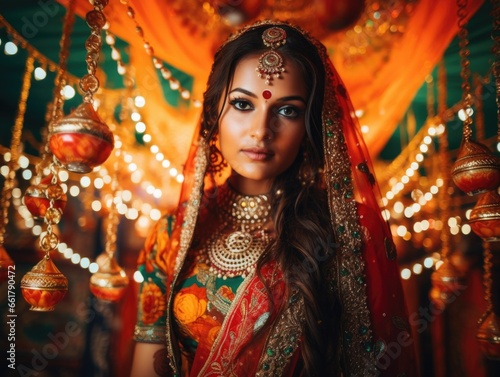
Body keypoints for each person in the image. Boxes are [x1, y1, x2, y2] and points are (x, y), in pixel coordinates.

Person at [130, 20, 416, 377]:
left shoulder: (350, 231)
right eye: (242, 104)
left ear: (312, 125)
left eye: (288, 110)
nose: (261, 131)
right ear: (212, 113)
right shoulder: (172, 235)